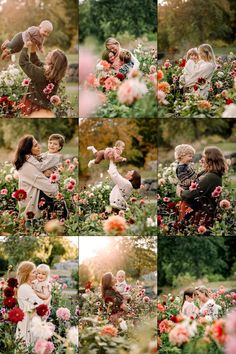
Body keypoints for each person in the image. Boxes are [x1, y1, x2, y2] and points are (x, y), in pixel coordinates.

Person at [13, 135, 59, 222]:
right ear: (27, 149)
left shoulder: (32, 160)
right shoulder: (28, 166)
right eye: (35, 146)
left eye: (38, 144)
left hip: (34, 208)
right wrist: (55, 180)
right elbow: (51, 188)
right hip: (32, 213)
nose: (39, 147)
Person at [177, 146, 227, 225]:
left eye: (203, 157)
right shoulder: (207, 172)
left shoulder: (211, 176)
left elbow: (192, 194)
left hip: (201, 215)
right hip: (196, 211)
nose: (201, 160)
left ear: (211, 160)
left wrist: (180, 192)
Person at [19, 42, 68, 117]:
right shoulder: (54, 75)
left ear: (52, 60)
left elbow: (23, 62)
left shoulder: (41, 73)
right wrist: (33, 47)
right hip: (43, 109)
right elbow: (36, 62)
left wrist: (25, 46)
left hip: (33, 108)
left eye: (51, 53)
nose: (48, 53)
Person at [16, 261, 44, 345]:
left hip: (32, 319)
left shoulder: (30, 287)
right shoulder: (24, 288)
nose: (36, 274)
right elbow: (40, 304)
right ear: (26, 274)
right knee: (27, 345)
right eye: (33, 272)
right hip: (27, 321)